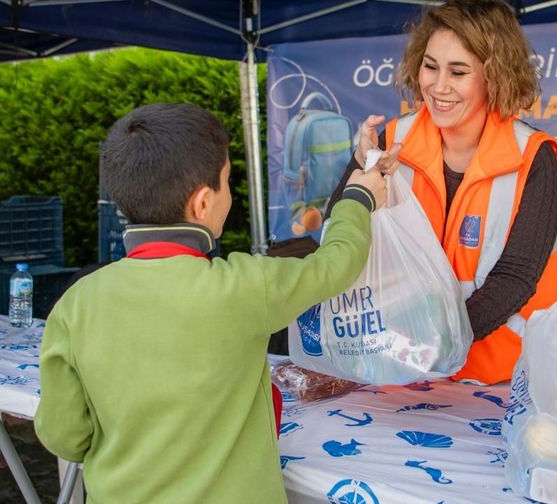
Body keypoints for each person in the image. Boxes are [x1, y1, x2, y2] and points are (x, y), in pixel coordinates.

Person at [34, 103, 388, 503]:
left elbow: (64, 436)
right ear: (203, 203)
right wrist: (357, 198)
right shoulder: (245, 286)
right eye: (226, 182)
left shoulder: (76, 303)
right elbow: (336, 264)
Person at [325, 0, 557, 385]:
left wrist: (429, 345)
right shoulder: (392, 140)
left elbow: (516, 278)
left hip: (498, 381)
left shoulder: (532, 157)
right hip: (399, 376)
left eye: (459, 71)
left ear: (495, 76)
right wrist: (360, 166)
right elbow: (339, 236)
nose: (438, 86)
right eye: (430, 66)